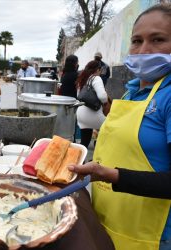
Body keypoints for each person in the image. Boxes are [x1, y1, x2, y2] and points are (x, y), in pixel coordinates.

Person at [69, 4, 171, 250]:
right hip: (109, 222)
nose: (143, 50)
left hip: (149, 236)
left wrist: (112, 175)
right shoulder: (132, 91)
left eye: (158, 39)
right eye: (136, 41)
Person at [76, 60, 108, 149]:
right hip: (93, 114)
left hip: (81, 114)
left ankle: (79, 160)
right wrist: (105, 101)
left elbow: (78, 96)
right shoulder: (96, 78)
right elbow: (102, 97)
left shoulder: (82, 79)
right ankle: (97, 152)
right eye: (100, 70)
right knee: (108, 128)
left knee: (84, 142)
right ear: (97, 69)